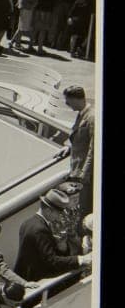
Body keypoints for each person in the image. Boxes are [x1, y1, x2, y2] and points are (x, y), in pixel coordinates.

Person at [14, 189, 91, 281]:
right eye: (58, 213)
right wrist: (79, 259)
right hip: (35, 280)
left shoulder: (27, 223)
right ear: (48, 211)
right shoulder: (40, 229)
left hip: (24, 276)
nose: (59, 217)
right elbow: (51, 261)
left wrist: (61, 247)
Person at [59, 86, 94, 215]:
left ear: (76, 99)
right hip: (76, 170)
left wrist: (84, 174)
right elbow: (76, 133)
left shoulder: (92, 118)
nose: (67, 104)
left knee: (83, 207)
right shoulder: (82, 114)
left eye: (68, 101)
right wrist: (68, 146)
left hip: (83, 175)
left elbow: (93, 149)